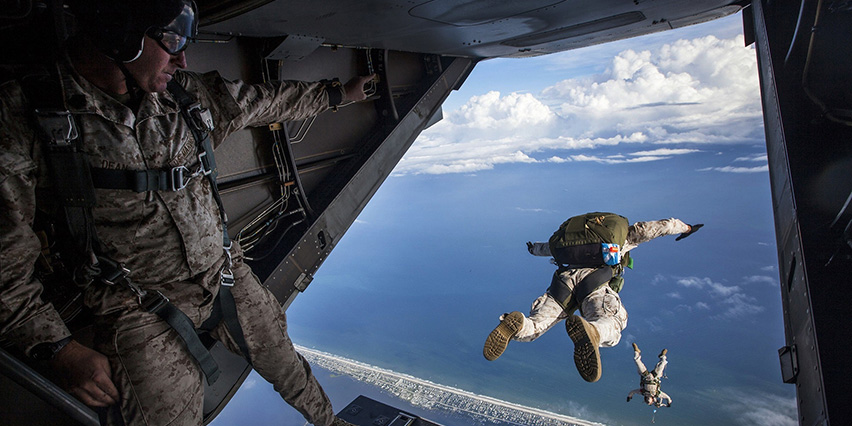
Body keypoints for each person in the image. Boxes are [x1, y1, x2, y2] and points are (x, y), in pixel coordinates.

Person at [0, 1, 373, 425]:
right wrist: (57, 348)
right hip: (137, 306)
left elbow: (265, 101)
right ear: (121, 35)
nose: (182, 59)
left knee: (288, 366)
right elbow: (5, 268)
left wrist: (339, 94)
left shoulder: (184, 98)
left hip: (224, 272)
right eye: (172, 41)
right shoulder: (26, 116)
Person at [483, 215, 702, 382]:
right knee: (614, 324)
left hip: (563, 281)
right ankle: (594, 332)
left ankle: (520, 324)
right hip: (594, 282)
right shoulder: (624, 236)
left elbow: (547, 249)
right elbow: (661, 227)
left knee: (536, 327)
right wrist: (687, 228)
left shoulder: (571, 242)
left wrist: (532, 249)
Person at [626, 343, 672, 407]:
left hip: (646, 376)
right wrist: (669, 403)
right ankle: (663, 356)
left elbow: (632, 392)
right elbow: (668, 397)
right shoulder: (657, 394)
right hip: (655, 376)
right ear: (652, 400)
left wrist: (629, 397)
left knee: (636, 361)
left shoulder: (642, 392)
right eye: (649, 402)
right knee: (663, 363)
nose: (647, 400)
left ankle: (636, 351)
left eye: (646, 401)